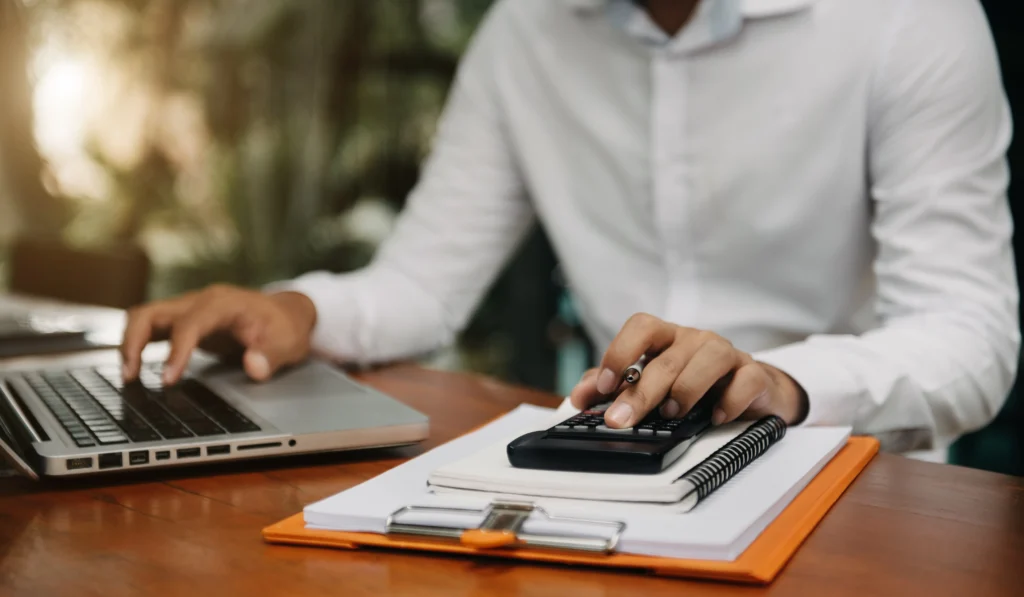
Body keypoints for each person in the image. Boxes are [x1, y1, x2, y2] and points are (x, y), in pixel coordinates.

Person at [120, 0, 1018, 457]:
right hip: (610, 474)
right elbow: (426, 283)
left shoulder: (909, 18)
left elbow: (970, 338)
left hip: (857, 488)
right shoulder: (527, 31)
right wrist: (296, 310)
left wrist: (782, 382)